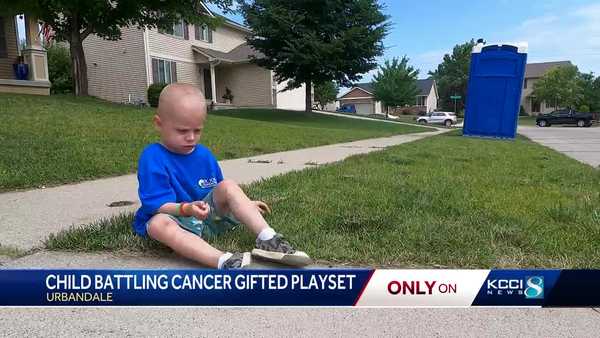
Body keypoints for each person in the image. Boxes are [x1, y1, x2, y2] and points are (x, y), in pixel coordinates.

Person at [133, 83, 311, 269]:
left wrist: (246, 205)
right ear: (159, 124)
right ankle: (223, 260)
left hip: (206, 219)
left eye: (197, 130)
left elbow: (219, 192)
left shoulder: (203, 155)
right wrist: (187, 209)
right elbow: (158, 206)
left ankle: (269, 239)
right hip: (174, 219)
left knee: (228, 185)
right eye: (182, 131)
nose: (191, 137)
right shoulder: (153, 157)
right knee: (157, 224)